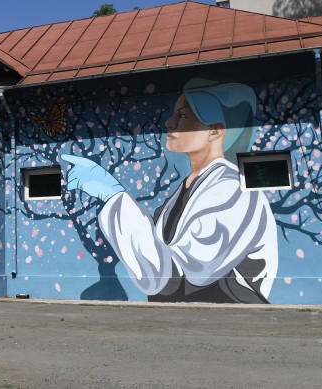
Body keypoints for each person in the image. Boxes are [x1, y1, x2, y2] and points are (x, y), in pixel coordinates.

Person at [62, 78, 278, 303]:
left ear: (214, 131)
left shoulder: (232, 189)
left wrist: (114, 195)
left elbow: (172, 275)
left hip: (227, 322)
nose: (169, 123)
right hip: (189, 322)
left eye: (183, 116)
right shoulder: (186, 190)